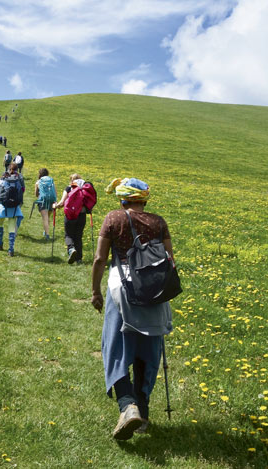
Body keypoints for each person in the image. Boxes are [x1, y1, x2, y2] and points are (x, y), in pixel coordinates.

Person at [91, 177, 174, 440]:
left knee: (114, 346)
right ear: (144, 198)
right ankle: (144, 413)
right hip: (155, 290)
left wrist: (95, 290)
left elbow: (100, 258)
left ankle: (127, 405)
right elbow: (170, 259)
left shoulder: (113, 218)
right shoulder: (159, 222)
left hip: (122, 289)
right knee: (148, 349)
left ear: (122, 198)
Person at [0, 163, 25, 256]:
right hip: (14, 208)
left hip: (3, 207)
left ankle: (0, 243)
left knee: (0, 224)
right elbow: (21, 193)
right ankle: (11, 249)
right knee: (11, 227)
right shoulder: (17, 181)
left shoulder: (0, 181)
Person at [53, 174, 87, 264]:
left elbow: (62, 203)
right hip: (82, 215)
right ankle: (79, 259)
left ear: (71, 180)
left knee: (69, 235)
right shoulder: (85, 189)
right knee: (78, 236)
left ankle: (71, 249)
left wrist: (55, 206)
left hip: (70, 215)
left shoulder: (69, 188)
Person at [34, 168, 57, 240]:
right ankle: (45, 231)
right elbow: (55, 193)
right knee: (48, 217)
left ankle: (47, 235)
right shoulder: (51, 181)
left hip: (43, 201)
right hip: (51, 200)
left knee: (45, 218)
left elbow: (36, 194)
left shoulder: (38, 182)